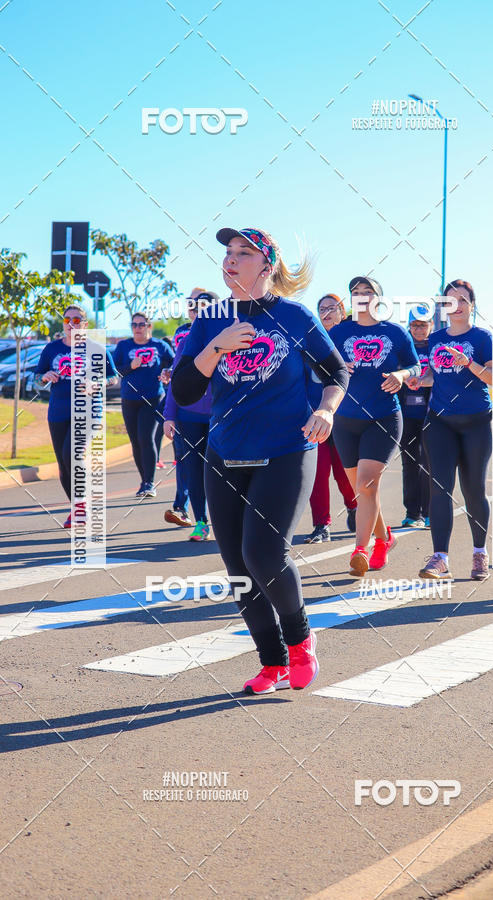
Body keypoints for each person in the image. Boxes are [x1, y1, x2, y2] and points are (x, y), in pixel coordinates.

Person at [171, 226, 348, 695]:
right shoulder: (210, 320)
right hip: (225, 453)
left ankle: (301, 640)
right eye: (227, 253)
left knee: (265, 553)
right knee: (238, 570)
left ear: (266, 266)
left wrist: (326, 409)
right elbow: (186, 391)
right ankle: (271, 664)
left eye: (243, 253)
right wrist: (217, 346)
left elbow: (336, 371)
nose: (230, 260)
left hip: (287, 450)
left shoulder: (293, 315)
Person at [329, 276, 420, 576]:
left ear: (379, 298)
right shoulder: (340, 331)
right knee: (362, 491)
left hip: (384, 417)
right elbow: (320, 364)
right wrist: (339, 365)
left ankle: (360, 550)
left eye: (368, 292)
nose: (361, 296)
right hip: (345, 418)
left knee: (367, 484)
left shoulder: (394, 332)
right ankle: (386, 538)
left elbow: (415, 365)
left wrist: (403, 376)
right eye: (355, 292)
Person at [407, 279, 493, 581]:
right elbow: (435, 375)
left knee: (473, 491)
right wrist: (418, 379)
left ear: (472, 305)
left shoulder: (483, 338)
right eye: (450, 300)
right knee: (439, 488)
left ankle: (480, 553)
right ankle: (440, 557)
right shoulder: (435, 338)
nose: (456, 305)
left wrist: (469, 362)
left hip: (476, 423)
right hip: (440, 421)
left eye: (463, 299)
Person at [34, 304, 118, 528]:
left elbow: (113, 378)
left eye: (77, 320)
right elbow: (36, 377)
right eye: (67, 320)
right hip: (58, 411)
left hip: (88, 410)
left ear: (85, 324)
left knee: (72, 453)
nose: (71, 324)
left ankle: (81, 507)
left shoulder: (97, 349)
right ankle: (77, 507)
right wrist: (45, 377)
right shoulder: (51, 349)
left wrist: (96, 383)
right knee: (63, 464)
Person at [163, 287, 219, 540]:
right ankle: (201, 523)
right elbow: (177, 381)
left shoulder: (232, 339)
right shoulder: (186, 343)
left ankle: (229, 522)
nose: (199, 313)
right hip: (189, 417)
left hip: (222, 417)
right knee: (194, 471)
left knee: (222, 471)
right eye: (196, 308)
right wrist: (169, 416)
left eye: (206, 309)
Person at [304, 293, 357, 543]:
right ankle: (321, 524)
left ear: (342, 312)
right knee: (318, 471)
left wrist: (345, 369)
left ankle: (354, 505)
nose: (326, 313)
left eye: (332, 308)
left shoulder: (352, 338)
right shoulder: (311, 340)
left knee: (344, 471)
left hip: (347, 416)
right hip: (316, 415)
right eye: (321, 308)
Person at [112, 312, 174, 498]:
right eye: (134, 325)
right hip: (129, 399)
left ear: (149, 327)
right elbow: (114, 372)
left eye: (142, 324)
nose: (138, 328)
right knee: (136, 442)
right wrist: (131, 366)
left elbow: (175, 364)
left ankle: (149, 482)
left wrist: (166, 372)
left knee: (146, 438)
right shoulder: (124, 346)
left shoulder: (159, 346)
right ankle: (143, 481)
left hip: (153, 399)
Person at [399, 305, 433, 528]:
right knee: (410, 463)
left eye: (423, 325)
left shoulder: (436, 347)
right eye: (415, 325)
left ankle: (430, 511)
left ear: (431, 325)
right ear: (409, 326)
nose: (419, 329)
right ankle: (413, 513)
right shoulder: (403, 347)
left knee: (430, 463)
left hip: (431, 415)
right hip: (406, 414)